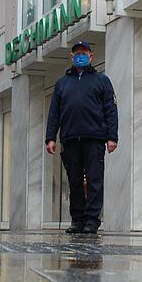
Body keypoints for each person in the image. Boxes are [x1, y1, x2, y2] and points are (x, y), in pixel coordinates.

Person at [45, 41, 118, 234]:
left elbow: (111, 110)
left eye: (84, 53)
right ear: (71, 57)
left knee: (94, 180)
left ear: (91, 56)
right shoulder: (62, 83)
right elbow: (54, 113)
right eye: (77, 53)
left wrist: (112, 137)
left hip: (94, 138)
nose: (80, 56)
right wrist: (50, 137)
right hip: (70, 139)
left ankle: (92, 221)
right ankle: (77, 220)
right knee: (74, 181)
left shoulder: (102, 81)